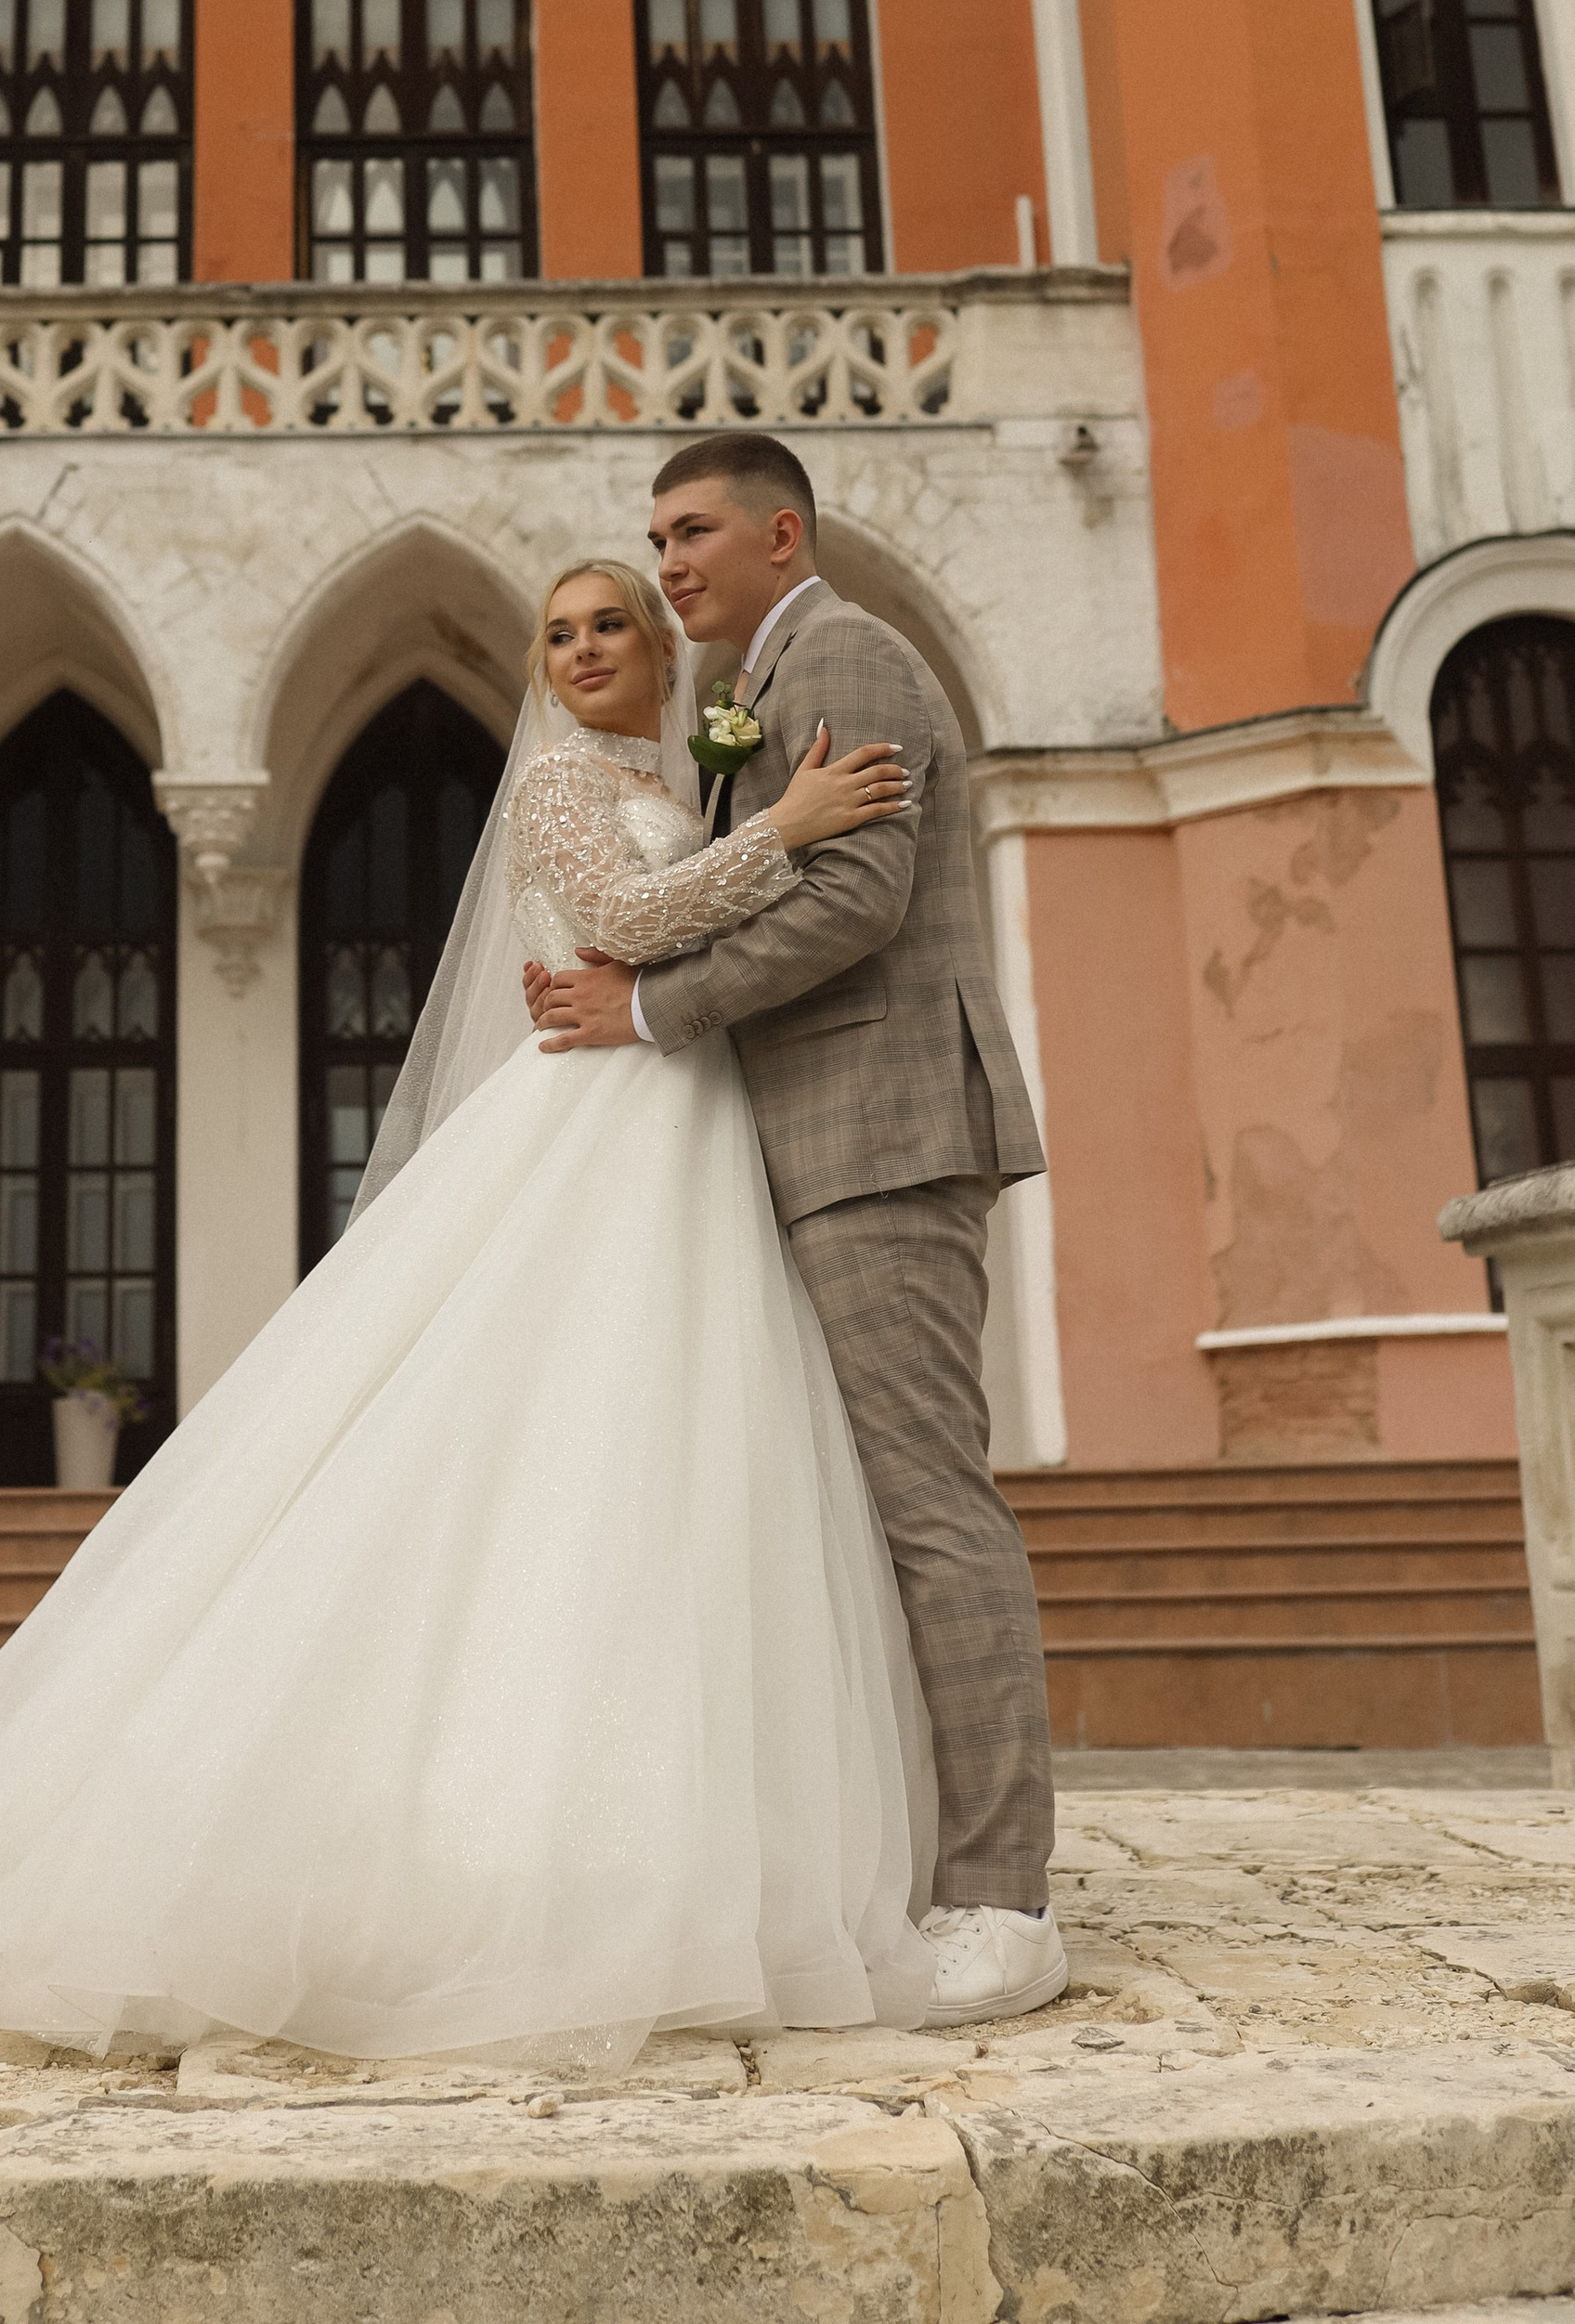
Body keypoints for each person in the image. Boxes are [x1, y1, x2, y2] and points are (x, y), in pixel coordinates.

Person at [0, 558, 934, 2069]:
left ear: (658, 650)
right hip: (602, 1117)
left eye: (607, 628)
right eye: (557, 635)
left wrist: (749, 818)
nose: (579, 652)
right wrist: (784, 829)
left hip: (688, 1118)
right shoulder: (567, 783)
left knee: (661, 1465)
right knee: (533, 1432)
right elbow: (624, 918)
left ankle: (666, 1841)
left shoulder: (688, 769)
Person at [527, 436, 1063, 2026]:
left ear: (781, 530)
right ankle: (902, 1859)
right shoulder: (741, 696)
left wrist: (650, 1010)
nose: (668, 562)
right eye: (654, 538)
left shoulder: (846, 654)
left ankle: (1002, 1901)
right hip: (798, 1140)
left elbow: (856, 903)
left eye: (691, 534)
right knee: (839, 1518)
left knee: (927, 1511)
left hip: (880, 1128)